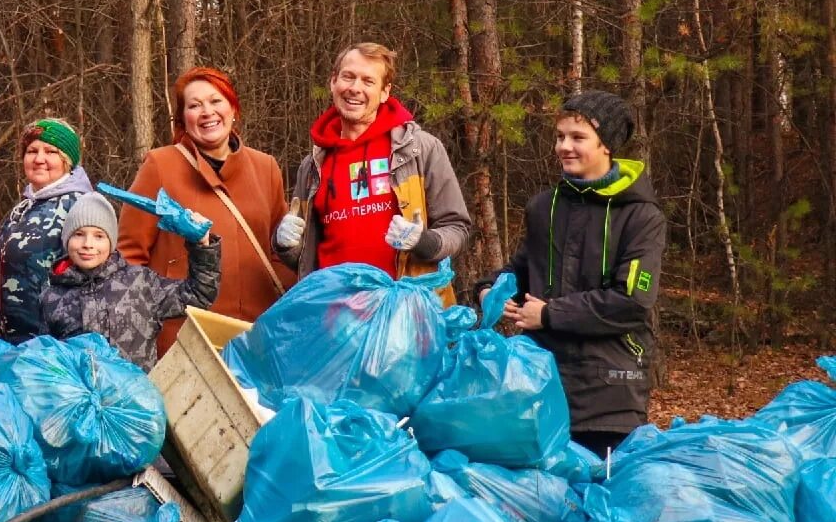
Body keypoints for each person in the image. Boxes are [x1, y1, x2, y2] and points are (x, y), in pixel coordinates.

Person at [489, 90, 664, 459]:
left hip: (611, 394)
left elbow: (631, 301)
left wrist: (549, 314)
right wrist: (492, 289)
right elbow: (522, 269)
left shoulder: (640, 216)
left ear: (607, 146)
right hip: (543, 385)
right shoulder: (542, 208)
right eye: (560, 136)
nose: (564, 146)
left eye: (578, 137)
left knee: (603, 503)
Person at [118, 66, 294, 356]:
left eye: (216, 101)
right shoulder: (160, 165)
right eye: (194, 105)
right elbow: (130, 258)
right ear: (183, 118)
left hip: (255, 337)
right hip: (184, 337)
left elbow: (277, 255)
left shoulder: (266, 167)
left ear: (233, 108)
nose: (207, 112)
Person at [274, 42, 471, 300]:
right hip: (334, 314)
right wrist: (285, 245)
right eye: (348, 77)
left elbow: (457, 228)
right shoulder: (313, 166)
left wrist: (422, 241)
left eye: (368, 81)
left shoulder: (419, 150)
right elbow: (306, 257)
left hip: (405, 312)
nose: (355, 88)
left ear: (385, 91)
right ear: (333, 82)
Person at [41, 193, 221, 371]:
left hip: (138, 397)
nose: (88, 244)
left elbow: (199, 294)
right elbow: (49, 361)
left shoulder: (140, 283)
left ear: (111, 242)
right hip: (81, 398)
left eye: (99, 236)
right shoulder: (51, 297)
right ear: (66, 239)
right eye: (79, 234)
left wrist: (203, 247)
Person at [0, 117, 94, 342]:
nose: (39, 159)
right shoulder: (24, 207)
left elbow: (94, 280)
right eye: (31, 151)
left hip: (50, 348)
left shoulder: (79, 206)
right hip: (10, 344)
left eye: (50, 152)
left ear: (67, 160)